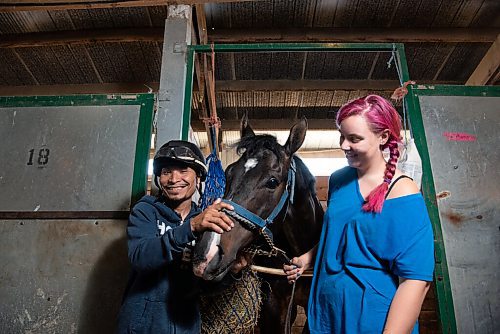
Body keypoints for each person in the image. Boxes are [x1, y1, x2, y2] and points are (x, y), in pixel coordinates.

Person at [284, 95, 434, 333]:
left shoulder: (402, 191)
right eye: (341, 136)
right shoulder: (339, 180)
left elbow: (415, 280)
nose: (344, 145)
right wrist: (308, 257)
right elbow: (339, 233)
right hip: (325, 312)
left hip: (370, 319)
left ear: (383, 137)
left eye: (354, 138)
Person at [117, 140, 235, 334]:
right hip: (141, 326)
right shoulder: (146, 211)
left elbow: (206, 286)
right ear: (158, 178)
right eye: (166, 172)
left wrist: (233, 273)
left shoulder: (206, 223)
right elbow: (140, 257)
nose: (173, 179)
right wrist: (190, 228)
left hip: (185, 325)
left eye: (183, 170)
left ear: (198, 177)